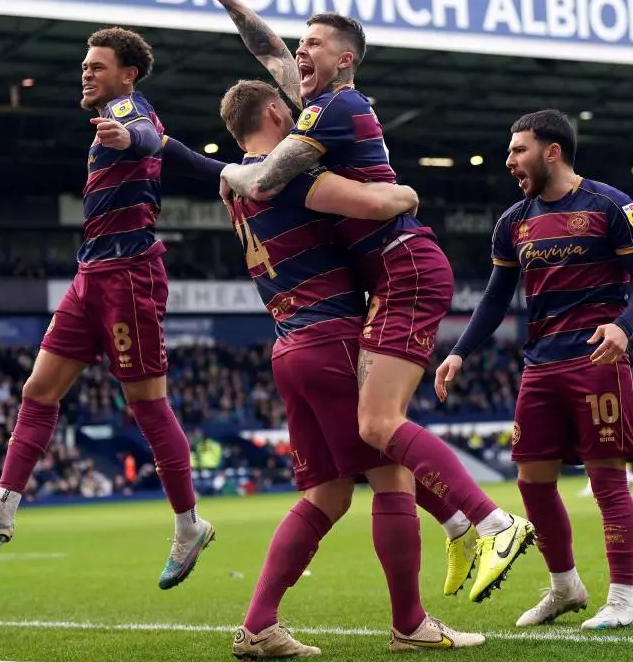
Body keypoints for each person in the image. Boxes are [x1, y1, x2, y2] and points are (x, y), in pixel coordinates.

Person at [187, 0, 533, 603]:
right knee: (379, 440)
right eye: (300, 46)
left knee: (378, 426)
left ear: (344, 59)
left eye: (313, 45)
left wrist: (230, 172)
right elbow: (266, 49)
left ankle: (492, 522)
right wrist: (228, 0)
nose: (299, 53)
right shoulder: (318, 106)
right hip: (386, 277)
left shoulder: (336, 107)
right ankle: (461, 528)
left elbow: (265, 180)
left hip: (404, 266)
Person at [200, 79, 483, 657]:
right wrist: (405, 195)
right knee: (391, 477)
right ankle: (411, 624)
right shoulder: (289, 178)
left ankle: (258, 627)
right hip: (332, 338)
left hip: (288, 347)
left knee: (326, 496)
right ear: (277, 113)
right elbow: (377, 203)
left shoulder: (237, 188)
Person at [0, 28, 214, 592]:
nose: (86, 73)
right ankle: (3, 507)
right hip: (92, 274)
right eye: (84, 66)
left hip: (129, 275)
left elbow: (146, 137)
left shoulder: (130, 111)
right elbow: (172, 149)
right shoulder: (123, 115)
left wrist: (126, 136)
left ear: (127, 73)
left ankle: (189, 526)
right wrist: (229, 175)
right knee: (38, 390)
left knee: (147, 404)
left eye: (97, 66)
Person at [434, 109, 633, 631]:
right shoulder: (513, 222)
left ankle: (623, 599)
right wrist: (459, 351)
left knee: (608, 485)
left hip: (597, 364)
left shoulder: (612, 205)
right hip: (539, 368)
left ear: (551, 151)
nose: (510, 160)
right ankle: (565, 587)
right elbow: (495, 299)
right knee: (533, 485)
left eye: (518, 149)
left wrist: (623, 326)